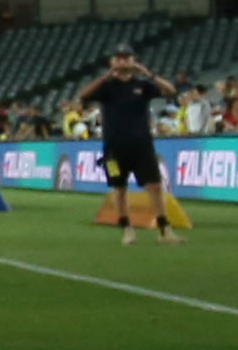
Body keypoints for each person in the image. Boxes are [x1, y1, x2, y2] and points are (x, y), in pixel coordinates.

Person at [74, 46, 182, 243]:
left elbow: (170, 90)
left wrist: (148, 73)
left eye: (127, 58)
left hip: (142, 144)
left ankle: (164, 229)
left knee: (155, 186)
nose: (123, 62)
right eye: (119, 58)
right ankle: (127, 228)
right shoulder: (106, 87)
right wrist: (106, 76)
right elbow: (83, 94)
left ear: (134, 60)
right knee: (119, 188)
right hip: (114, 147)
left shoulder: (142, 85)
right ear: (112, 62)